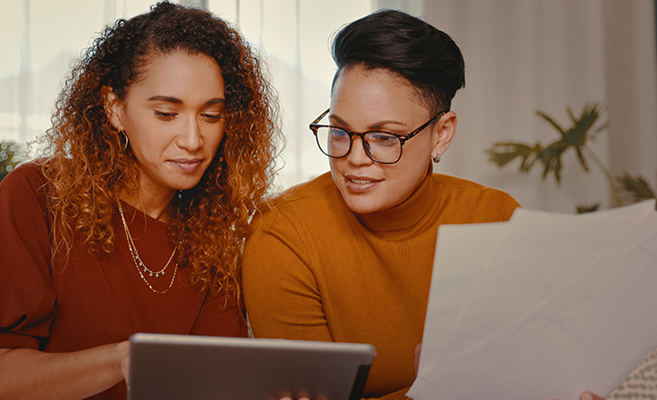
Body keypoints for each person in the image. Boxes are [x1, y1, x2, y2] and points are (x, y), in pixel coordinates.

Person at [241, 9, 605, 400]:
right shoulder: (282, 234)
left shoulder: (497, 219)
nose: (354, 157)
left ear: (441, 135)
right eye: (340, 131)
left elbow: (538, 372)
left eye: (384, 137)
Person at [0, 2, 279, 399]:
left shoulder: (214, 237)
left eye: (211, 116)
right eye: (167, 113)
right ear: (114, 108)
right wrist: (123, 360)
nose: (193, 140)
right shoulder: (35, 195)